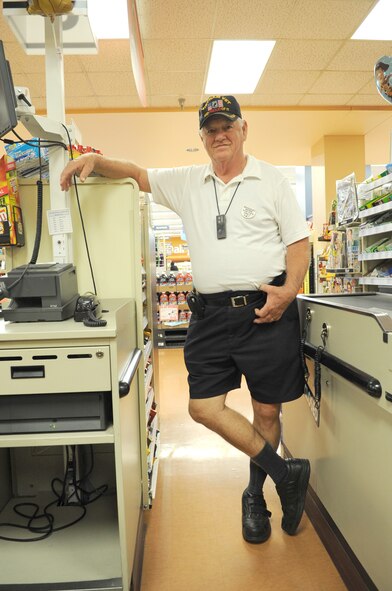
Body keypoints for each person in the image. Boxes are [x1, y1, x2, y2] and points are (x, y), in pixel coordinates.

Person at [60, 95, 311, 544]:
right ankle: (285, 474)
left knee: (266, 410)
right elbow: (138, 174)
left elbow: (298, 243)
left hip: (267, 310)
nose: (219, 134)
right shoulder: (187, 181)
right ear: (202, 137)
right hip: (211, 317)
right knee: (202, 408)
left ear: (243, 129)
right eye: (210, 129)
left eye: (226, 126)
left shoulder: (271, 179)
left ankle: (256, 495)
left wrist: (289, 290)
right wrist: (95, 161)